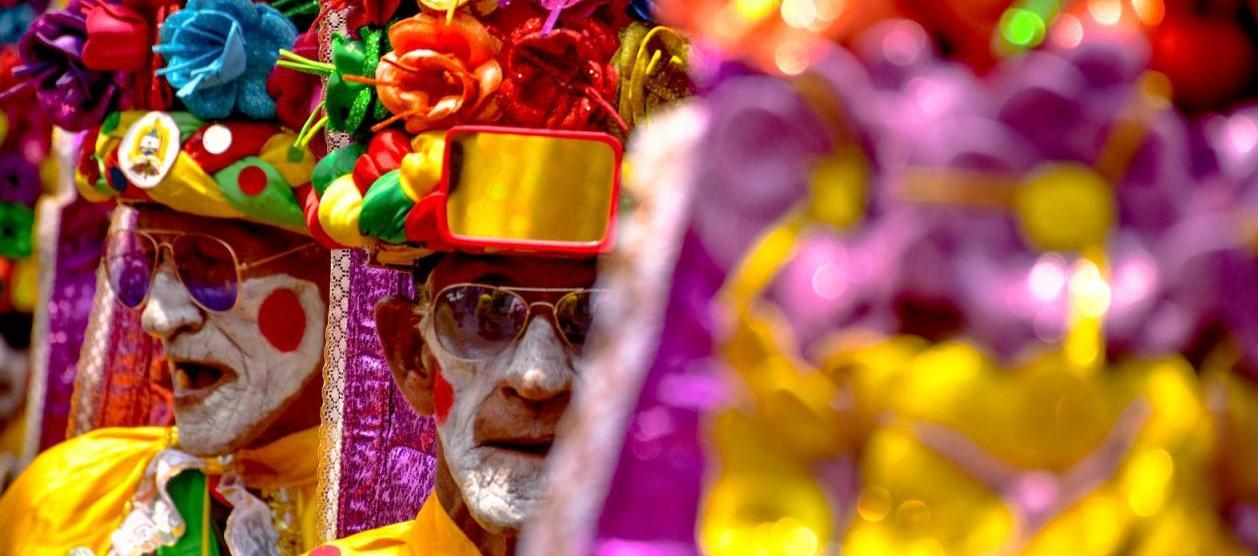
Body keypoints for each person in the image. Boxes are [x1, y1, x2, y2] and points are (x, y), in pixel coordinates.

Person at [0, 110, 328, 555]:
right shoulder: (66, 506)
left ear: (342, 276)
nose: (156, 318)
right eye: (146, 261)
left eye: (210, 265)